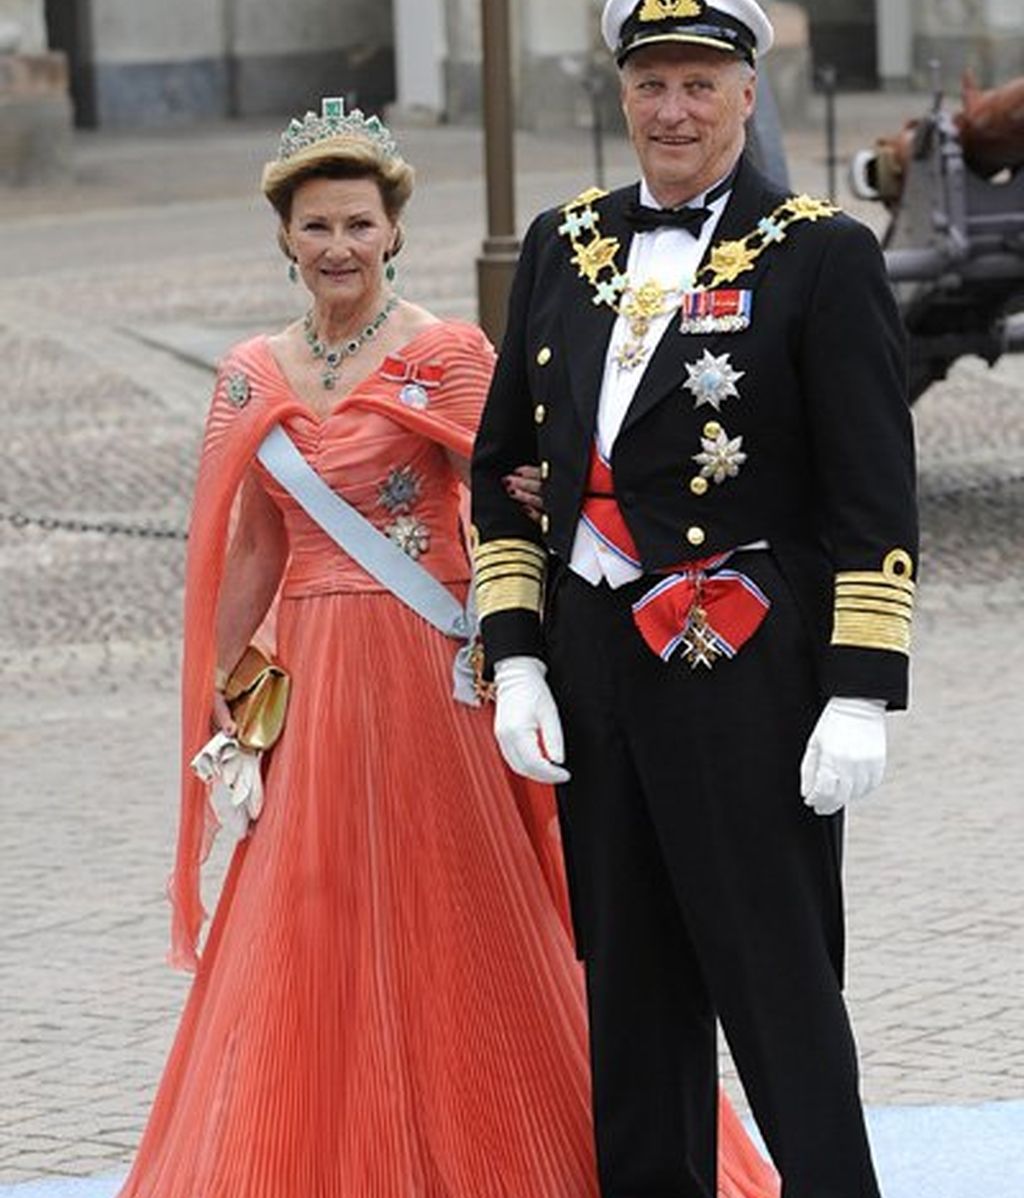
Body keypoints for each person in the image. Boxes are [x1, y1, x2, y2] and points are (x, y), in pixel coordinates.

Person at [116, 99, 777, 1198]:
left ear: (393, 233)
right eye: (317, 226)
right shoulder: (247, 372)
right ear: (284, 235)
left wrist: (541, 645)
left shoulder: (446, 351)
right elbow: (252, 544)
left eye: (359, 226)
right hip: (317, 681)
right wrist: (227, 680)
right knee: (307, 915)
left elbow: (521, 495)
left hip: (434, 670)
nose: (338, 247)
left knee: (462, 912)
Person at [471, 3, 919, 1197]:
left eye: (698, 85)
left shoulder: (818, 251)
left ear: (744, 95)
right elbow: (501, 465)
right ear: (621, 94)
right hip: (595, 664)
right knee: (628, 988)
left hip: (743, 664)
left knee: (776, 984)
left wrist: (860, 692)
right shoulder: (562, 244)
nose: (672, 109)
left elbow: (873, 491)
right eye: (650, 83)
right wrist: (515, 656)